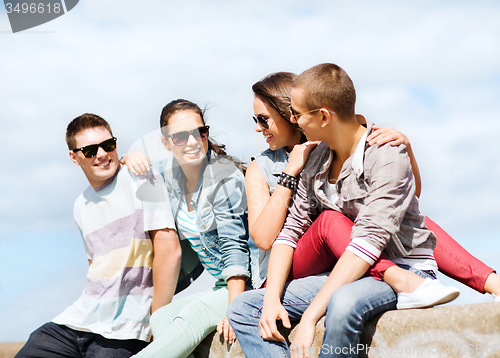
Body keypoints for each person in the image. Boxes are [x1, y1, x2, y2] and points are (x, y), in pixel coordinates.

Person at [226, 64, 484, 358]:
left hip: (394, 264)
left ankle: (465, 281)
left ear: (323, 116)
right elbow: (288, 232)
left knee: (344, 300)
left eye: (297, 114)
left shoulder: (385, 151)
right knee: (244, 307)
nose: (295, 121)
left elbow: (371, 238)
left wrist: (310, 317)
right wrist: (271, 300)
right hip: (343, 266)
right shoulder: (314, 158)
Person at [245, 71, 500, 297]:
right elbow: (264, 238)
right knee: (329, 223)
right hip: (293, 262)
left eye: (263, 119)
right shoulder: (262, 167)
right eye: (256, 120)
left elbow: (403, 202)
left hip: (345, 253)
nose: (258, 128)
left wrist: (405, 149)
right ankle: (398, 277)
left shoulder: (333, 143)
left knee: (413, 219)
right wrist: (290, 174)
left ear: (290, 113)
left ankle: (492, 283)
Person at [15, 114, 181, 358]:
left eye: (109, 145)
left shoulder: (142, 178)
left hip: (126, 327)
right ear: (74, 157)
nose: (102, 154)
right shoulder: (80, 205)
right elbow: (95, 266)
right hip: (77, 320)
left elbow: (170, 251)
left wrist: (159, 321)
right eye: (91, 150)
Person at [126, 99, 251, 358]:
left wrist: (235, 308)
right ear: (166, 142)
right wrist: (130, 157)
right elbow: (134, 168)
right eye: (180, 137)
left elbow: (234, 248)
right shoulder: (170, 174)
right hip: (220, 284)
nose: (193, 142)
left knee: (192, 316)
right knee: (160, 319)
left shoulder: (224, 178)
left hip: (248, 284)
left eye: (199, 132)